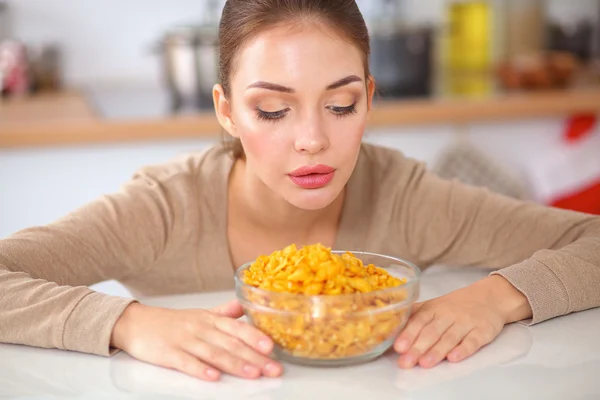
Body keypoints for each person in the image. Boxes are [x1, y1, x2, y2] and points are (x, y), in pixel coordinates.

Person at [1, 0, 599, 383]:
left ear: (368, 97)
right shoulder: (163, 208)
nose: (312, 140)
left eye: (340, 105)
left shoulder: (404, 195)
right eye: (271, 110)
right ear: (228, 111)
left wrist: (496, 297)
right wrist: (127, 323)